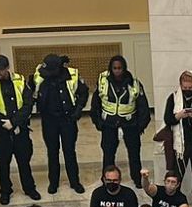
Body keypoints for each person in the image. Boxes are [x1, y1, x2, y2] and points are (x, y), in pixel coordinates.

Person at [0, 55, 38, 206]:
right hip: (1, 131)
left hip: (19, 129)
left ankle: (29, 188)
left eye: (0, 70)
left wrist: (14, 122)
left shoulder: (20, 80)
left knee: (24, 161)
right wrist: (2, 122)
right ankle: (5, 191)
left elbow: (28, 103)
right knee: (3, 163)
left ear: (7, 69)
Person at [33, 52, 88, 195]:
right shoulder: (40, 75)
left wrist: (78, 111)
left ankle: (74, 182)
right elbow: (32, 94)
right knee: (52, 152)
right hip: (49, 120)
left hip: (67, 119)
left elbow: (83, 93)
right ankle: (53, 183)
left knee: (69, 151)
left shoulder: (72, 75)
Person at [93, 54, 149, 186]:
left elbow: (143, 105)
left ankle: (137, 178)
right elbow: (96, 103)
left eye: (120, 68)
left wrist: (140, 125)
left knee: (134, 153)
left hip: (130, 124)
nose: (117, 71)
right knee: (108, 153)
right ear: (111, 68)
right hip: (109, 124)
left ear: (124, 68)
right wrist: (98, 122)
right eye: (114, 68)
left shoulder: (134, 82)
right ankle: (107, 178)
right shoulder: (103, 81)